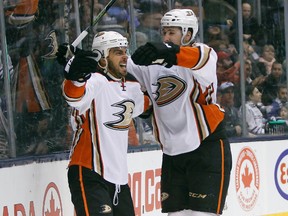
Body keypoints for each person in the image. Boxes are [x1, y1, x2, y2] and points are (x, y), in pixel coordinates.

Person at [128, 9, 232, 216]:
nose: (166, 37)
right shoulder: (151, 64)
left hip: (206, 146)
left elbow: (196, 57)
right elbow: (118, 66)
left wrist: (166, 50)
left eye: (172, 32)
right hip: (172, 152)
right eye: (164, 32)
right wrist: (81, 60)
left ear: (187, 33)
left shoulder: (204, 54)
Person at [57, 31, 150, 216]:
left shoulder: (131, 85)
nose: (125, 56)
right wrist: (75, 75)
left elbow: (148, 105)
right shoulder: (95, 81)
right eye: (117, 52)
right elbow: (74, 96)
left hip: (119, 179)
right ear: (102, 59)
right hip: (89, 171)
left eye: (125, 51)